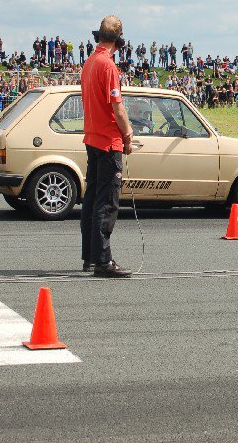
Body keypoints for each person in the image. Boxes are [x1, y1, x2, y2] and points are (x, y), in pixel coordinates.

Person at [80, 15, 135, 278]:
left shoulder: (90, 62)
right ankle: (103, 260)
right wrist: (128, 134)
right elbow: (118, 108)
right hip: (107, 141)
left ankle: (90, 257)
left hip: (92, 137)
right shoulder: (108, 66)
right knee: (107, 202)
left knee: (91, 199)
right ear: (117, 41)